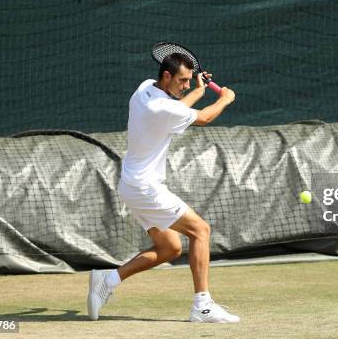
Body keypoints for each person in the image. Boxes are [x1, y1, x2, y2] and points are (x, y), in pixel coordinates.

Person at [87, 52, 239, 322]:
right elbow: (202, 118)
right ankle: (202, 306)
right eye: (182, 80)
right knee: (200, 231)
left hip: (131, 184)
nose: (186, 86)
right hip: (145, 187)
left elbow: (180, 105)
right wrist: (224, 99)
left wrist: (199, 89)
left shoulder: (146, 87)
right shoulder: (162, 110)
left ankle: (108, 280)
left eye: (189, 80)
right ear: (166, 76)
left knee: (169, 248)